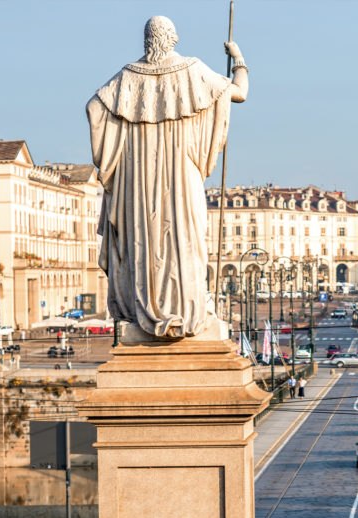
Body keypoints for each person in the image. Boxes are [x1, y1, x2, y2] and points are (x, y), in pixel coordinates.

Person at [88, 16, 249, 340]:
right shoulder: (193, 70)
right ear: (172, 39)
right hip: (182, 174)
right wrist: (239, 61)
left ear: (148, 41)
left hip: (139, 179)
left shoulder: (126, 78)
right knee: (188, 238)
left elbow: (95, 108)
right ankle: (190, 309)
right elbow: (239, 94)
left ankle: (147, 308)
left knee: (144, 241)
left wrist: (120, 145)